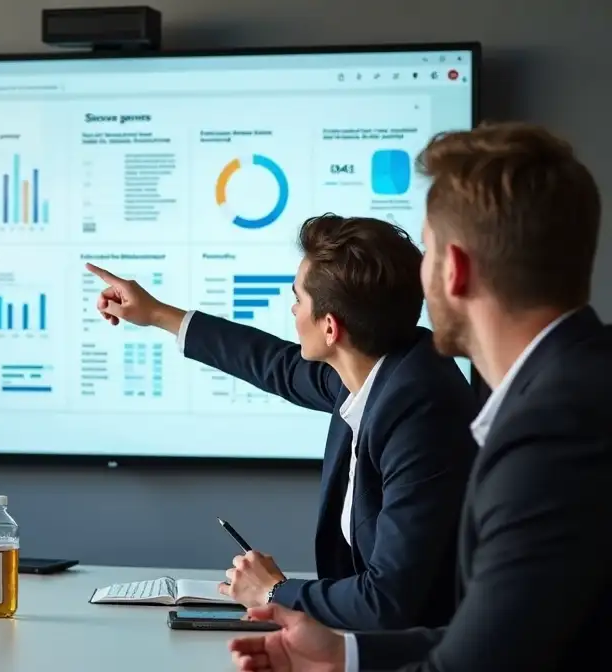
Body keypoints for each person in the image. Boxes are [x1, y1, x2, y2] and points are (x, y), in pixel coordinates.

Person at [228, 122, 612, 672]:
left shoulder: (553, 431)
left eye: (426, 252)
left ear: (454, 270)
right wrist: (346, 655)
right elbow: (500, 640)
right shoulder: (576, 387)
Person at [86, 213, 477, 631]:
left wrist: (275, 592)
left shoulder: (420, 412)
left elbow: (389, 600)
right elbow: (276, 364)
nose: (292, 309)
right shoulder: (377, 367)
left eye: (298, 299)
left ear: (330, 327)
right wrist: (157, 314)